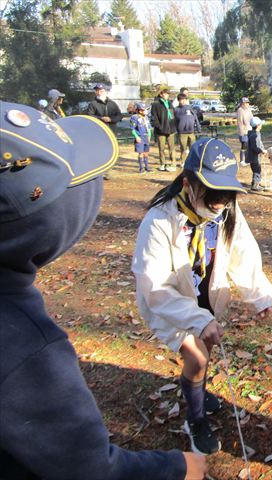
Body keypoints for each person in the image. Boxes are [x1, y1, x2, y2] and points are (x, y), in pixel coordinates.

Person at [0, 101, 207, 480]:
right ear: (41, 222)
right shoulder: (27, 347)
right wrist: (177, 468)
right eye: (82, 177)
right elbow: (89, 469)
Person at [132, 137, 272, 455]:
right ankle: (194, 419)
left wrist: (260, 296)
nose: (220, 201)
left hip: (206, 297)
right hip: (169, 302)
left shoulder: (226, 211)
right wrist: (196, 318)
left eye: (226, 192)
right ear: (187, 183)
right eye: (212, 192)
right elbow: (154, 287)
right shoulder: (158, 222)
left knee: (206, 348)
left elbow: (244, 252)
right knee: (196, 355)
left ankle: (197, 388)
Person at [151, 89, 178, 172]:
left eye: (168, 94)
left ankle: (173, 163)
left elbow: (173, 115)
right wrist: (159, 126)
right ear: (161, 94)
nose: (167, 95)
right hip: (161, 130)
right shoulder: (156, 104)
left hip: (171, 129)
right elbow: (153, 117)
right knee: (161, 148)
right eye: (166, 94)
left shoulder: (170, 103)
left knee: (172, 147)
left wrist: (174, 125)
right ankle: (162, 163)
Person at [175, 93, 201, 168]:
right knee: (183, 148)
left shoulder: (190, 108)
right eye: (181, 100)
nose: (182, 101)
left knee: (193, 148)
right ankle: (182, 162)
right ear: (178, 100)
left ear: (186, 100)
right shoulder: (176, 109)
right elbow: (175, 121)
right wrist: (178, 129)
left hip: (191, 132)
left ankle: (194, 162)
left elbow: (195, 117)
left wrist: (198, 127)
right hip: (182, 133)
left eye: (184, 100)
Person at [130, 101, 153, 174]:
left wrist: (149, 135)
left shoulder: (146, 118)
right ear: (139, 110)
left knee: (146, 152)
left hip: (146, 137)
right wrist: (136, 137)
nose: (145, 111)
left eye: (146, 109)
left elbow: (149, 128)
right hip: (140, 136)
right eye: (143, 110)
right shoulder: (134, 118)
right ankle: (141, 168)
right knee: (140, 153)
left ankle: (147, 167)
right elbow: (132, 129)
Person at [247, 116, 268, 191]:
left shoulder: (256, 133)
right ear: (258, 126)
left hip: (254, 156)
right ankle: (255, 185)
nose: (261, 125)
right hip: (253, 157)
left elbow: (259, 144)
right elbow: (254, 147)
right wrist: (261, 151)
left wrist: (262, 149)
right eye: (260, 124)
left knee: (256, 169)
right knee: (257, 170)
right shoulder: (254, 135)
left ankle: (255, 183)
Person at [236, 96, 253, 166]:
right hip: (243, 131)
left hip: (250, 130)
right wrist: (241, 133)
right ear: (242, 104)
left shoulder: (249, 110)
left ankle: (247, 159)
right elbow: (240, 122)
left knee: (249, 146)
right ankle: (242, 160)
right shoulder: (240, 110)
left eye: (247, 103)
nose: (246, 104)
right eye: (245, 103)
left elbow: (252, 119)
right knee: (244, 145)